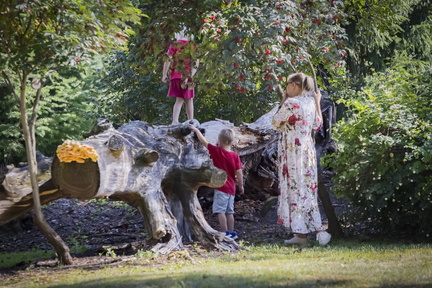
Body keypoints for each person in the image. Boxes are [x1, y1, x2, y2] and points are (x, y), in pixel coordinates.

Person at [271, 72, 332, 246]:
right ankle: (304, 233)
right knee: (305, 190)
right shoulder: (310, 103)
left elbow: (275, 122)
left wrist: (283, 100)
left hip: (293, 152)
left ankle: (316, 231)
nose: (286, 88)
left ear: (294, 85)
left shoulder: (292, 103)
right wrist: (318, 103)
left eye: (288, 84)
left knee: (296, 188)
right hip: (307, 152)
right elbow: (317, 124)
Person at [189, 124, 244, 240]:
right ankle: (232, 232)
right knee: (230, 212)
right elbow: (239, 172)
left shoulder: (217, 151)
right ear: (232, 142)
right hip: (232, 188)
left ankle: (225, 233)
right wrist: (241, 186)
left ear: (219, 141)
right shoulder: (235, 156)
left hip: (221, 187)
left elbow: (204, 142)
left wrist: (195, 130)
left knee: (220, 211)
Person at [162, 31, 199, 125]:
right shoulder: (192, 45)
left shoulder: (174, 45)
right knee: (189, 99)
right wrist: (190, 76)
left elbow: (168, 60)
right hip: (188, 76)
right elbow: (196, 62)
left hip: (175, 76)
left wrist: (164, 74)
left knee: (179, 99)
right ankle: (191, 121)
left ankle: (174, 121)